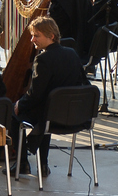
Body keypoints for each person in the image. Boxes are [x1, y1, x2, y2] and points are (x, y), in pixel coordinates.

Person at [14, 16, 86, 177]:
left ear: (51, 36)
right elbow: (84, 83)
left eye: (37, 35)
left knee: (15, 115)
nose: (32, 39)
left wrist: (19, 104)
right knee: (45, 111)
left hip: (49, 118)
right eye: (32, 35)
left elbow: (35, 95)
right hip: (74, 117)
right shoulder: (72, 53)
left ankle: (22, 164)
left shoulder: (43, 59)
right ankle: (43, 165)